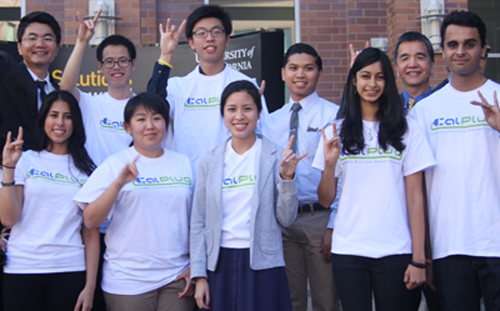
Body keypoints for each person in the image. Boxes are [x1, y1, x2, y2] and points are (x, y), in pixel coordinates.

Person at [312, 47, 436, 311]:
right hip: (349, 251)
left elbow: (415, 198)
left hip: (396, 250)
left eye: (380, 77)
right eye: (365, 76)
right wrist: (330, 163)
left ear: (388, 82)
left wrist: (419, 259)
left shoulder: (407, 129)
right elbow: (325, 199)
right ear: (354, 81)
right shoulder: (335, 131)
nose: (372, 83)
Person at [409, 11, 500, 311]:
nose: (460, 51)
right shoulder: (424, 112)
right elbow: (416, 186)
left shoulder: (498, 97)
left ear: (484, 48)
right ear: (443, 49)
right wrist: (423, 252)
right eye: (453, 44)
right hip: (449, 245)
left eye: (470, 44)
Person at [74, 92, 195, 311]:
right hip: (127, 281)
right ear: (127, 127)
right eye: (141, 119)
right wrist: (118, 183)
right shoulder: (115, 164)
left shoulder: (183, 163)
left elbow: (198, 220)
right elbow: (90, 220)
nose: (150, 125)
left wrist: (195, 267)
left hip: (176, 277)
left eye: (157, 118)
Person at [190, 80, 303, 311]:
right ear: (223, 114)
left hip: (263, 263)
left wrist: (287, 180)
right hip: (218, 263)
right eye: (232, 109)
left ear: (259, 113)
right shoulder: (209, 161)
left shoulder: (276, 156)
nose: (239, 116)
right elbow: (198, 222)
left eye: (248, 108)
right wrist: (199, 275)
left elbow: (287, 219)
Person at [60, 13, 138, 310]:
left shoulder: (143, 107)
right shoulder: (92, 104)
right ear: (101, 68)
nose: (116, 67)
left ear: (132, 64)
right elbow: (65, 89)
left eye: (122, 61)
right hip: (95, 222)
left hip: (132, 219)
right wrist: (81, 41)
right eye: (109, 61)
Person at [0, 90, 99, 311]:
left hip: (69, 268)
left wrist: (90, 286)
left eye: (68, 116)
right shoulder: (24, 160)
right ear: (44, 118)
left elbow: (90, 231)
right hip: (22, 268)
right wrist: (8, 168)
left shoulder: (85, 170)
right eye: (54, 115)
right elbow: (9, 218)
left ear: (76, 122)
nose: (60, 123)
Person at [262, 43, 341, 311]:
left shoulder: (334, 116)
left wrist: (333, 224)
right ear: (283, 74)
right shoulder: (270, 121)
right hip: (283, 222)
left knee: (326, 300)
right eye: (293, 68)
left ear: (320, 73)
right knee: (289, 301)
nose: (301, 74)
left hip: (319, 219)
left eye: (309, 68)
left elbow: (343, 174)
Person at [147, 5, 268, 174]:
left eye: (216, 32)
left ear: (227, 39)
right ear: (191, 42)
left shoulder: (246, 85)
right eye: (201, 33)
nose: (209, 38)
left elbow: (263, 137)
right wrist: (166, 56)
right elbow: (150, 107)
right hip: (186, 181)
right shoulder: (178, 87)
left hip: (231, 182)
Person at [393, 31, 442, 311]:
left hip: (441, 228)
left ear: (432, 63)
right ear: (396, 66)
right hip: (399, 231)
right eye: (405, 58)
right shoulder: (383, 114)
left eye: (420, 57)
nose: (412, 64)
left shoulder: (444, 107)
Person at [0, 11, 61, 150]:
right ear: (19, 47)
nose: (40, 44)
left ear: (57, 49)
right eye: (32, 38)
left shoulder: (57, 92)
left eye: (47, 39)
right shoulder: (6, 76)